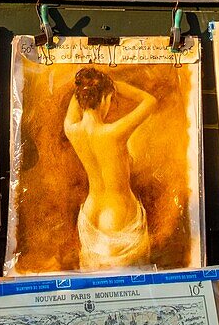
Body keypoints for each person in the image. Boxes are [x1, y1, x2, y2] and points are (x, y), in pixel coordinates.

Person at [64, 66, 156, 270]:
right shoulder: (115, 132)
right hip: (117, 212)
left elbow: (76, 99)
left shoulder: (71, 130)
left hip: (90, 212)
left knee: (94, 283)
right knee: (130, 283)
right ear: (105, 98)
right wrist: (116, 86)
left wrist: (88, 88)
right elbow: (150, 101)